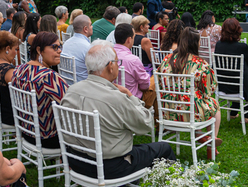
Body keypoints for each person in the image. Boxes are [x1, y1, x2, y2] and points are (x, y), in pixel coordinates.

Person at [62, 41, 177, 179]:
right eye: (117, 62)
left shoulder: (71, 91)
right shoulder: (116, 98)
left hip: (76, 161)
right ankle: (172, 184)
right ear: (110, 66)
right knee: (164, 148)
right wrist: (130, 95)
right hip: (110, 167)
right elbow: (146, 124)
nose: (118, 65)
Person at [156, 28, 222, 149]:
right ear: (195, 43)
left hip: (167, 111)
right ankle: (211, 144)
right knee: (214, 105)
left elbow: (160, 82)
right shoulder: (201, 64)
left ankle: (202, 135)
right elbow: (209, 90)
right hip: (190, 114)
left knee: (197, 101)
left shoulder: (166, 59)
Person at [11, 31, 67, 149]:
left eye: (60, 46)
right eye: (54, 47)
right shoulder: (48, 76)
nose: (59, 51)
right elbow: (70, 104)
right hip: (48, 137)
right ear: (38, 50)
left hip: (27, 132)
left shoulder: (19, 70)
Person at [214, 19, 248, 123]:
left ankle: (233, 113)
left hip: (223, 84)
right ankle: (246, 115)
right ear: (238, 31)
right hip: (239, 86)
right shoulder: (242, 47)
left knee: (246, 82)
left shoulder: (218, 45)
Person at [113, 24, 152, 106]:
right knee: (154, 83)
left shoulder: (107, 54)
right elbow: (145, 85)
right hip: (133, 100)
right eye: (133, 37)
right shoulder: (133, 60)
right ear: (129, 40)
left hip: (112, 97)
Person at [62, 15, 93, 84]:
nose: (92, 27)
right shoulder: (87, 47)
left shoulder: (66, 43)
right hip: (83, 85)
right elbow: (95, 70)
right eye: (90, 25)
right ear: (85, 29)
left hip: (66, 83)